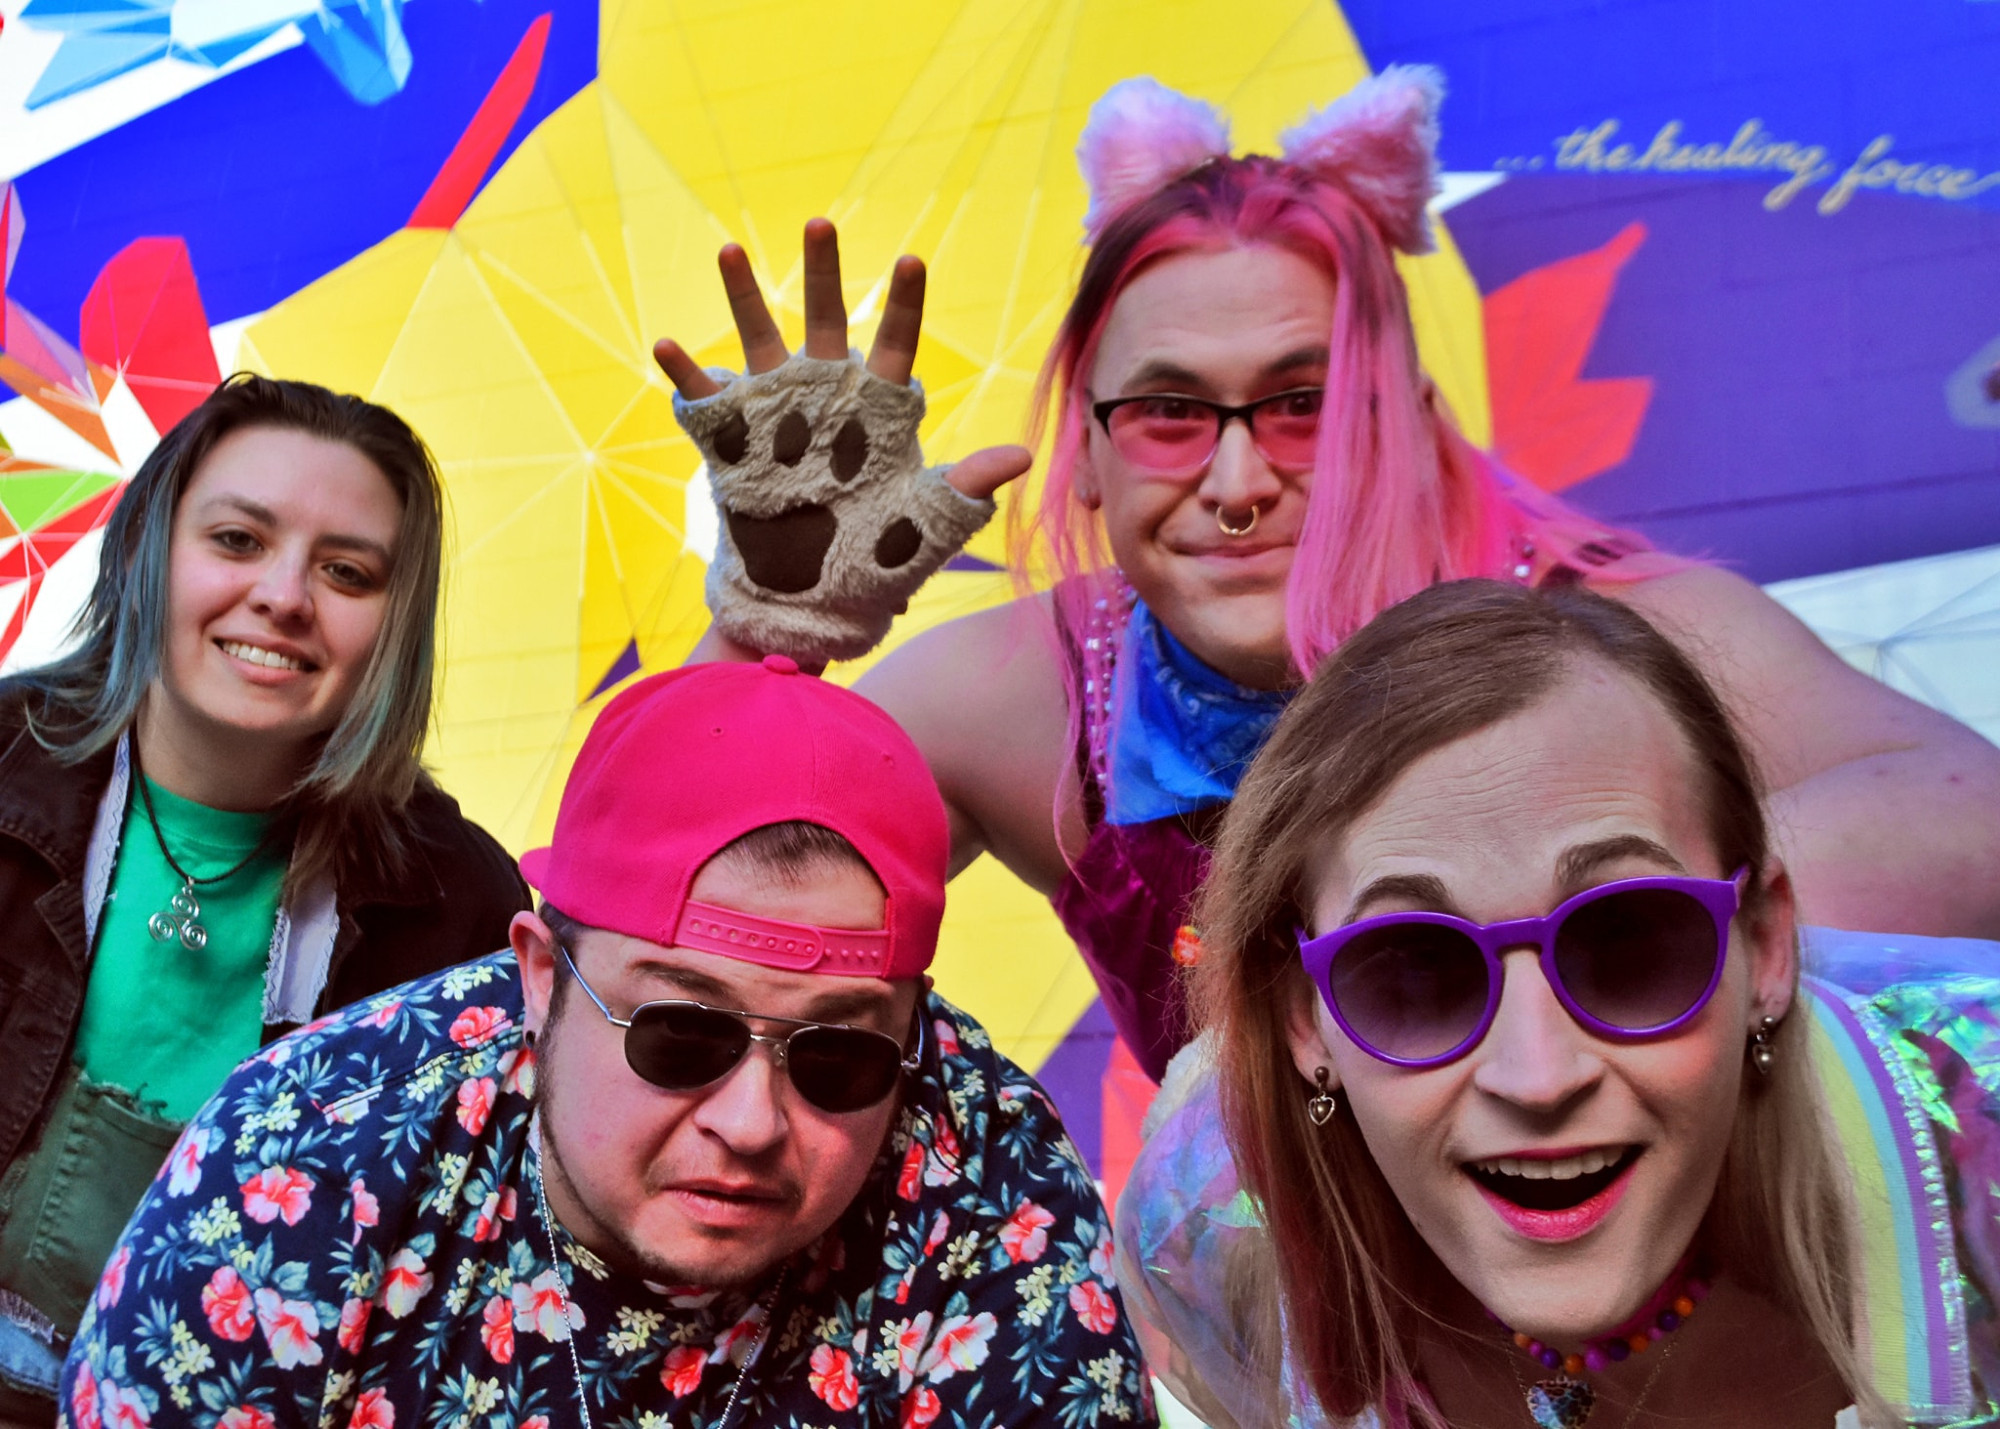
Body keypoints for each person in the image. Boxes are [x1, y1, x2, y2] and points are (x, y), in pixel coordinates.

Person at [651, 68, 2000, 1083]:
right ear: (1086, 461)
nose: (1237, 481)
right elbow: (667, 925)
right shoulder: (1028, 703)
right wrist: (772, 632)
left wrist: (1597, 922)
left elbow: (1975, 823)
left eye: (1302, 403)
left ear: (1406, 422)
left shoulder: (1615, 643)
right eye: (1171, 412)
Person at [62, 659, 1153, 1429]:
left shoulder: (992, 1178)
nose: (751, 1122)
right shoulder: (309, 1150)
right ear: (541, 979)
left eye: (837, 1058)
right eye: (681, 1036)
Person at [1117, 578, 2000, 1429]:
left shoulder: (1984, 1159)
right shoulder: (1211, 1240)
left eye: (1629, 943)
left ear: (1765, 946)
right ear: (1303, 1017)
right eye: (1412, 971)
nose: (1537, 1077)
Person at [0, 375, 527, 1425]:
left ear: (396, 624)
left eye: (345, 570)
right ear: (151, 547)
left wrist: (757, 617)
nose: (285, 596)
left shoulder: (458, 907)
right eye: (238, 540)